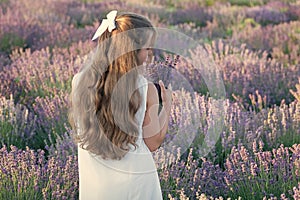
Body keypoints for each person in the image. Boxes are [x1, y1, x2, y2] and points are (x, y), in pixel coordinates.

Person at [69, 10, 173, 200]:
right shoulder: (144, 88)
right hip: (138, 187)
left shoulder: (78, 83)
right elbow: (153, 142)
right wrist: (166, 106)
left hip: (95, 188)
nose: (150, 55)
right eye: (147, 49)